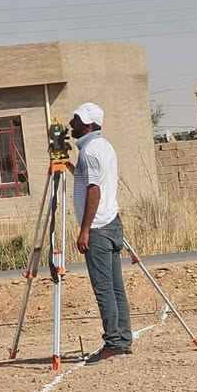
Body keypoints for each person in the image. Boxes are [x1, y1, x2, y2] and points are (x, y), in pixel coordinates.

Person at [69, 102, 133, 362]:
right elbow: (88, 180)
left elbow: (93, 191)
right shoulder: (102, 146)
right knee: (116, 287)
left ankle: (113, 343)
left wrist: (84, 230)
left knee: (104, 288)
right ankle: (123, 339)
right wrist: (68, 167)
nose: (71, 124)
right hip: (111, 222)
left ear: (87, 124)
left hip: (98, 227)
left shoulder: (90, 151)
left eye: (76, 120)